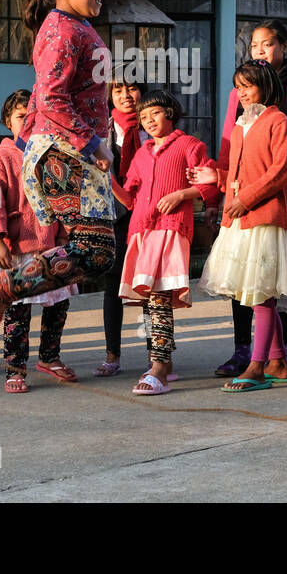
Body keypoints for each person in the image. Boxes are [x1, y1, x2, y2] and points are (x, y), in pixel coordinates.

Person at [0, 0, 117, 343]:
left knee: (97, 252)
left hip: (71, 152)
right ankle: (4, 288)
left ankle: (7, 288)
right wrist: (92, 144)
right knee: (96, 250)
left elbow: (58, 95)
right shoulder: (61, 30)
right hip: (61, 152)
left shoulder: (75, 26)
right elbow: (53, 98)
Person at [212, 20, 287, 377]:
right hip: (240, 205)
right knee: (245, 279)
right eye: (254, 45)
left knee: (269, 281)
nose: (259, 50)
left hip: (276, 200)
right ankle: (254, 352)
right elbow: (230, 151)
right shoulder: (243, 109)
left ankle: (272, 355)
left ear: (284, 46)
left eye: (267, 44)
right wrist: (222, 189)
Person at [192, 61, 287, 391]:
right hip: (239, 218)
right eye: (238, 86)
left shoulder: (278, 121)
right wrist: (218, 180)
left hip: (265, 219)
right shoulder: (241, 124)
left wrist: (246, 199)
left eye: (248, 86)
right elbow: (239, 174)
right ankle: (278, 361)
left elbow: (281, 172)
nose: (241, 93)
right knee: (254, 294)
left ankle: (257, 366)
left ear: (266, 87)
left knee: (260, 292)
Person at [114, 90, 219, 395]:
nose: (149, 121)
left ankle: (158, 367)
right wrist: (106, 178)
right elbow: (130, 198)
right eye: (144, 117)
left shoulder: (189, 145)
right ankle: (162, 362)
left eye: (155, 113)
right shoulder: (141, 153)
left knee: (159, 296)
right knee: (149, 300)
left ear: (171, 113)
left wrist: (181, 195)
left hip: (171, 228)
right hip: (141, 230)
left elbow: (208, 182)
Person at [0, 89, 78, 394]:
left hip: (52, 246)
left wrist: (65, 236)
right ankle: (14, 368)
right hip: (18, 251)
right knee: (18, 312)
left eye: (33, 116)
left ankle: (50, 357)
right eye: (21, 116)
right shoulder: (1, 158)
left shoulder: (52, 153)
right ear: (8, 122)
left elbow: (64, 198)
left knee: (57, 306)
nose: (27, 122)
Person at [96, 75, 146, 377]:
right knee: (113, 285)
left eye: (133, 87)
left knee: (153, 286)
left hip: (149, 213)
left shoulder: (154, 123)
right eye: (119, 89)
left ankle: (159, 355)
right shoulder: (101, 129)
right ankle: (112, 354)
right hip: (115, 214)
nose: (126, 94)